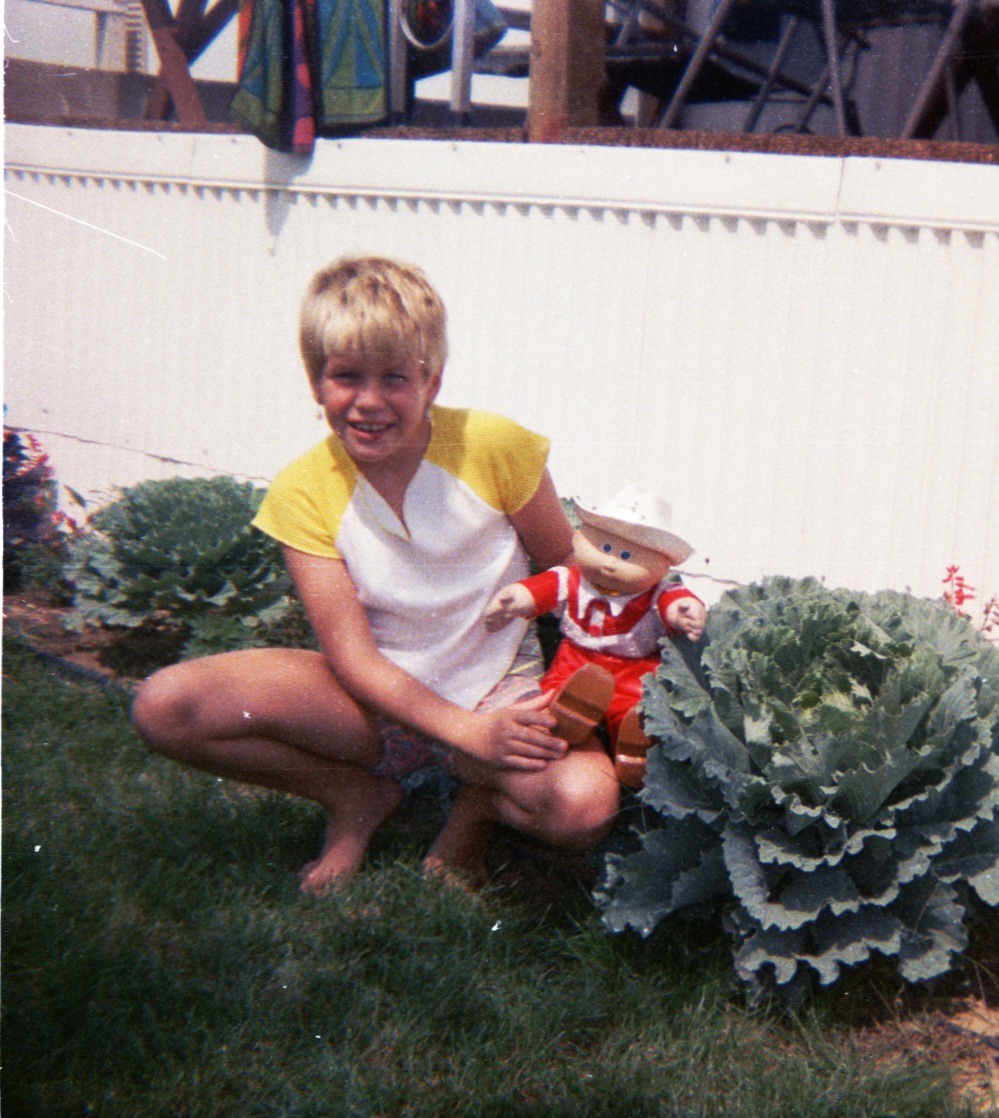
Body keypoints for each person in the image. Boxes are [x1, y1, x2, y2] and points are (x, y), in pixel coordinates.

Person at [130, 255, 619, 894]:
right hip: (373, 704)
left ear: (432, 381)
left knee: (583, 808)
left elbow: (567, 574)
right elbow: (354, 660)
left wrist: (558, 692)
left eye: (395, 378)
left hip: (501, 688)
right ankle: (356, 797)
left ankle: (473, 808)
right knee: (165, 706)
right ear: (316, 382)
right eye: (346, 377)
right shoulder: (303, 491)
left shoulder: (495, 447)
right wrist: (464, 733)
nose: (368, 402)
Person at [482, 486, 706, 789]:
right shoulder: (572, 580)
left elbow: (673, 603)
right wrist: (516, 598)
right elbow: (544, 589)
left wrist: (685, 610)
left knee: (635, 708)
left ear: (663, 565)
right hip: (574, 661)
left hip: (634, 671)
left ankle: (636, 753)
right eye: (604, 547)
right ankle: (563, 720)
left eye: (626, 556)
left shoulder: (655, 595)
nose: (609, 562)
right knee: (556, 691)